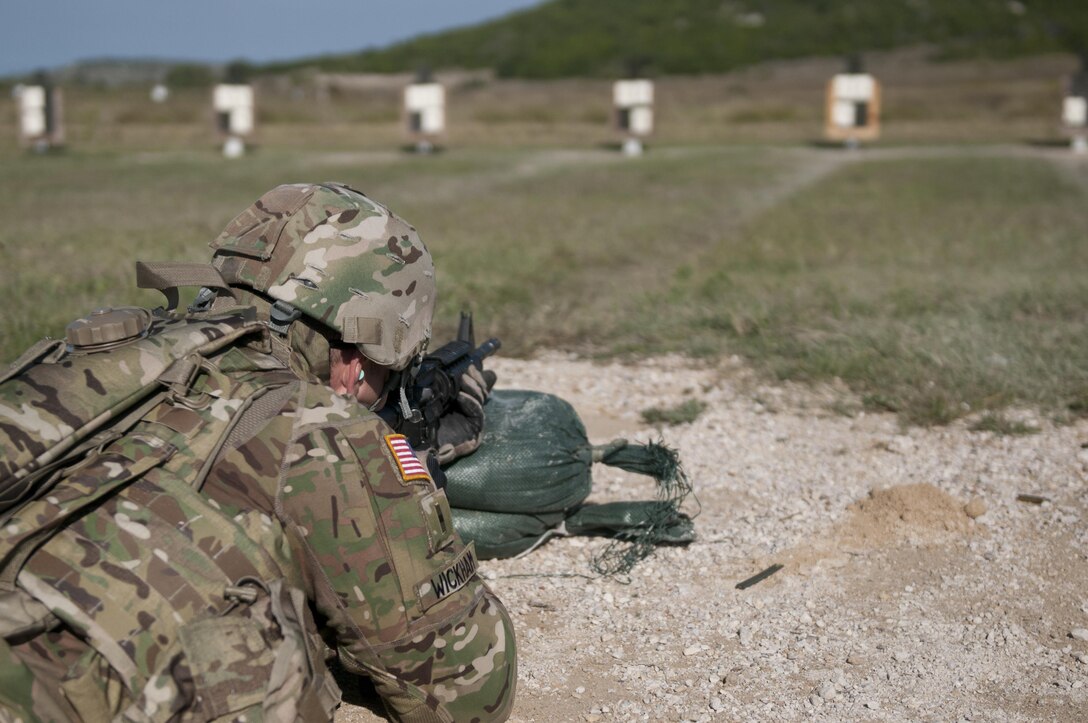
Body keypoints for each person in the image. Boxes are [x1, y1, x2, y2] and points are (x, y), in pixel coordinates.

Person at [0, 182, 516, 722]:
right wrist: (407, 496)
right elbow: (472, 694)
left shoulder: (94, 353)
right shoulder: (321, 431)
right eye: (389, 375)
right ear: (357, 361)